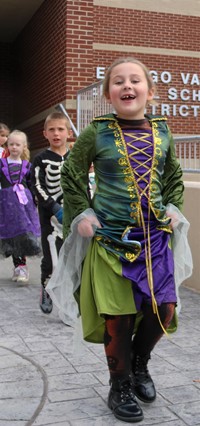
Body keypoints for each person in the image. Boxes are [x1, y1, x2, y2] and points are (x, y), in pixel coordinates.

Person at [47, 57, 185, 423]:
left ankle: (140, 363)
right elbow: (73, 171)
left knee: (164, 310)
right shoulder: (97, 131)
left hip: (155, 238)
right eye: (118, 81)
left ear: (150, 92)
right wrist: (82, 214)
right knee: (118, 319)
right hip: (110, 241)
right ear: (109, 93)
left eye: (135, 80)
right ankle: (119, 383)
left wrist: (173, 205)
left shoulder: (164, 131)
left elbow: (172, 174)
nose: (127, 86)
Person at [31, 112, 72, 314]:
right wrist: (54, 207)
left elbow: (83, 183)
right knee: (50, 257)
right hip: (49, 215)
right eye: (52, 130)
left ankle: (73, 293)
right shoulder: (40, 159)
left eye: (61, 129)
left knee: (73, 254)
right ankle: (46, 286)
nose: (56, 133)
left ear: (68, 133)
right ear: (45, 133)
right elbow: (37, 186)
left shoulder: (75, 157)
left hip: (73, 214)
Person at [0, 130, 41, 282]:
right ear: (7, 146)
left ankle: (22, 267)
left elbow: (32, 185)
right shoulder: (2, 164)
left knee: (22, 235)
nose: (14, 147)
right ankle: (17, 267)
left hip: (23, 207)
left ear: (24, 146)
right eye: (11, 144)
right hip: (6, 207)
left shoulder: (27, 166)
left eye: (18, 144)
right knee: (10, 236)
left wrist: (35, 201)